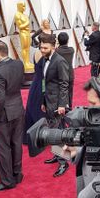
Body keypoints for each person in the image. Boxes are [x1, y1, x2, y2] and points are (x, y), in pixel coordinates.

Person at [0, 40, 25, 191]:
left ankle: (7, 181)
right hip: (18, 109)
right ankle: (16, 174)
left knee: (2, 148)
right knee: (16, 144)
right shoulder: (19, 63)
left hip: (2, 115)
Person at [39, 34, 71, 177]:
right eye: (41, 47)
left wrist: (62, 104)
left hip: (58, 103)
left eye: (45, 48)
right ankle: (57, 155)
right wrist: (43, 101)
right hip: (49, 100)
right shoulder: (44, 60)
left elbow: (65, 84)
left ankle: (64, 162)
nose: (42, 50)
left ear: (53, 46)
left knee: (58, 132)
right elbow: (44, 81)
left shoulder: (60, 61)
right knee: (53, 129)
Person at [23, 48, 45, 143]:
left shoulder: (37, 52)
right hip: (41, 83)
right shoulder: (43, 54)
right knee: (38, 107)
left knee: (33, 106)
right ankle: (41, 134)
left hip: (36, 82)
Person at [56, 32, 75, 107]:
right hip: (70, 74)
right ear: (67, 40)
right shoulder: (71, 50)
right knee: (70, 93)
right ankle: (69, 106)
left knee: (61, 92)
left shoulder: (57, 51)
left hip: (60, 74)